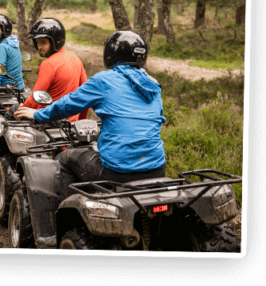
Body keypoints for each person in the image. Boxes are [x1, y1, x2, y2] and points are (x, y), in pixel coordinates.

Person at [14, 30, 167, 198]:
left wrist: (38, 114)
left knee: (66, 158)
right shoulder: (153, 84)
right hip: (157, 168)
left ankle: (66, 218)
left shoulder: (104, 80)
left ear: (111, 53)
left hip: (118, 171)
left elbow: (68, 105)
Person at [19, 18, 89, 122]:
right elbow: (86, 95)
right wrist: (81, 121)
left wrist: (20, 110)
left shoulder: (48, 64)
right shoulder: (75, 58)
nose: (39, 47)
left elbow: (34, 99)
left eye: (43, 42)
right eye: (37, 42)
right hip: (70, 123)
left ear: (54, 42)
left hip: (46, 121)